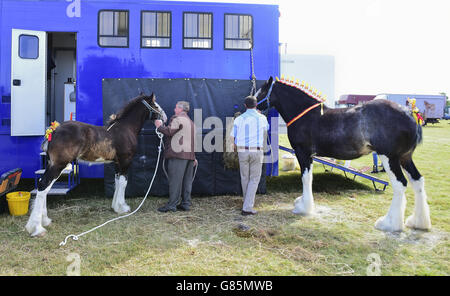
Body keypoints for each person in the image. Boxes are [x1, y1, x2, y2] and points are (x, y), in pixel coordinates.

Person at [154, 101, 197, 212]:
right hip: (190, 156)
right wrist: (194, 157)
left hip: (178, 155)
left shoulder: (177, 118)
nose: (174, 109)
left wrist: (159, 126)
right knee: (187, 182)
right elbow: (193, 141)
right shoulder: (191, 122)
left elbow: (169, 132)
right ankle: (186, 204)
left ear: (180, 109)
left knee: (175, 181)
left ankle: (172, 205)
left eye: (175, 107)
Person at [230, 96, 269, 215]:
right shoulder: (262, 118)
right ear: (256, 105)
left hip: (242, 151)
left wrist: (235, 146)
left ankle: (246, 204)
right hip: (256, 151)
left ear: (245, 105)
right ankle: (247, 207)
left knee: (244, 177)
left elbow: (232, 137)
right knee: (254, 179)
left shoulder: (239, 119)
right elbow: (266, 130)